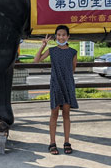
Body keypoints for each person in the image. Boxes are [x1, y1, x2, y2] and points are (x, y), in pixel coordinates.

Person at [33, 25, 78, 155]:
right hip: (55, 85)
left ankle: (67, 142)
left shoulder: (73, 52)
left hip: (68, 85)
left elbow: (73, 70)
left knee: (66, 114)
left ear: (68, 37)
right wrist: (43, 45)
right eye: (58, 35)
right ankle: (52, 143)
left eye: (63, 35)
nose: (61, 37)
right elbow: (36, 61)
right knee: (54, 113)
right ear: (56, 37)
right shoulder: (52, 50)